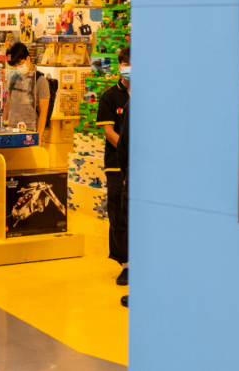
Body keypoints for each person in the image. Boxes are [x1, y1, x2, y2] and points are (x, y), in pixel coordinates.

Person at [96, 46, 130, 299]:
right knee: (118, 214)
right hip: (117, 165)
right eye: (126, 63)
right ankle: (126, 265)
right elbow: (109, 132)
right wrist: (129, 150)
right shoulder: (110, 97)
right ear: (120, 66)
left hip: (143, 168)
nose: (130, 68)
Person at [3, 42, 49, 133]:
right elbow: (7, 105)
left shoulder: (40, 80)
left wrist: (38, 138)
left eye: (20, 64)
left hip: (30, 131)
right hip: (11, 129)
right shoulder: (13, 77)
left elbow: (43, 113)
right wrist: (3, 127)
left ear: (28, 58)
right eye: (14, 66)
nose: (18, 68)